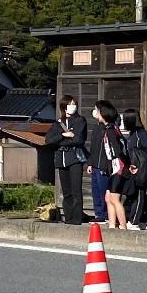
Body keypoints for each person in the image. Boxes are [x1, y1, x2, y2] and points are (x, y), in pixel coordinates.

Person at [49, 96, 89, 225]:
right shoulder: (58, 123)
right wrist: (63, 135)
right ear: (64, 106)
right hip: (61, 159)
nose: (73, 106)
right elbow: (49, 139)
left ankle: (77, 219)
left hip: (75, 158)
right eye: (71, 104)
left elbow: (79, 139)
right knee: (66, 191)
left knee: (76, 190)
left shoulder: (80, 120)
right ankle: (68, 217)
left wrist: (66, 139)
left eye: (74, 104)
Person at [89, 101, 126, 229]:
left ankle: (123, 227)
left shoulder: (111, 130)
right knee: (108, 198)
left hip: (117, 169)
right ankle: (111, 225)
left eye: (97, 110)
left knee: (114, 199)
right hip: (112, 168)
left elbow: (116, 153)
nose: (95, 112)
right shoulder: (107, 129)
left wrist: (109, 167)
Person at [118, 109, 147, 230]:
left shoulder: (140, 134)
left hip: (139, 170)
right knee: (133, 195)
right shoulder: (134, 134)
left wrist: (136, 165)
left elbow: (145, 154)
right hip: (134, 169)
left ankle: (134, 221)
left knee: (139, 194)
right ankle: (137, 219)